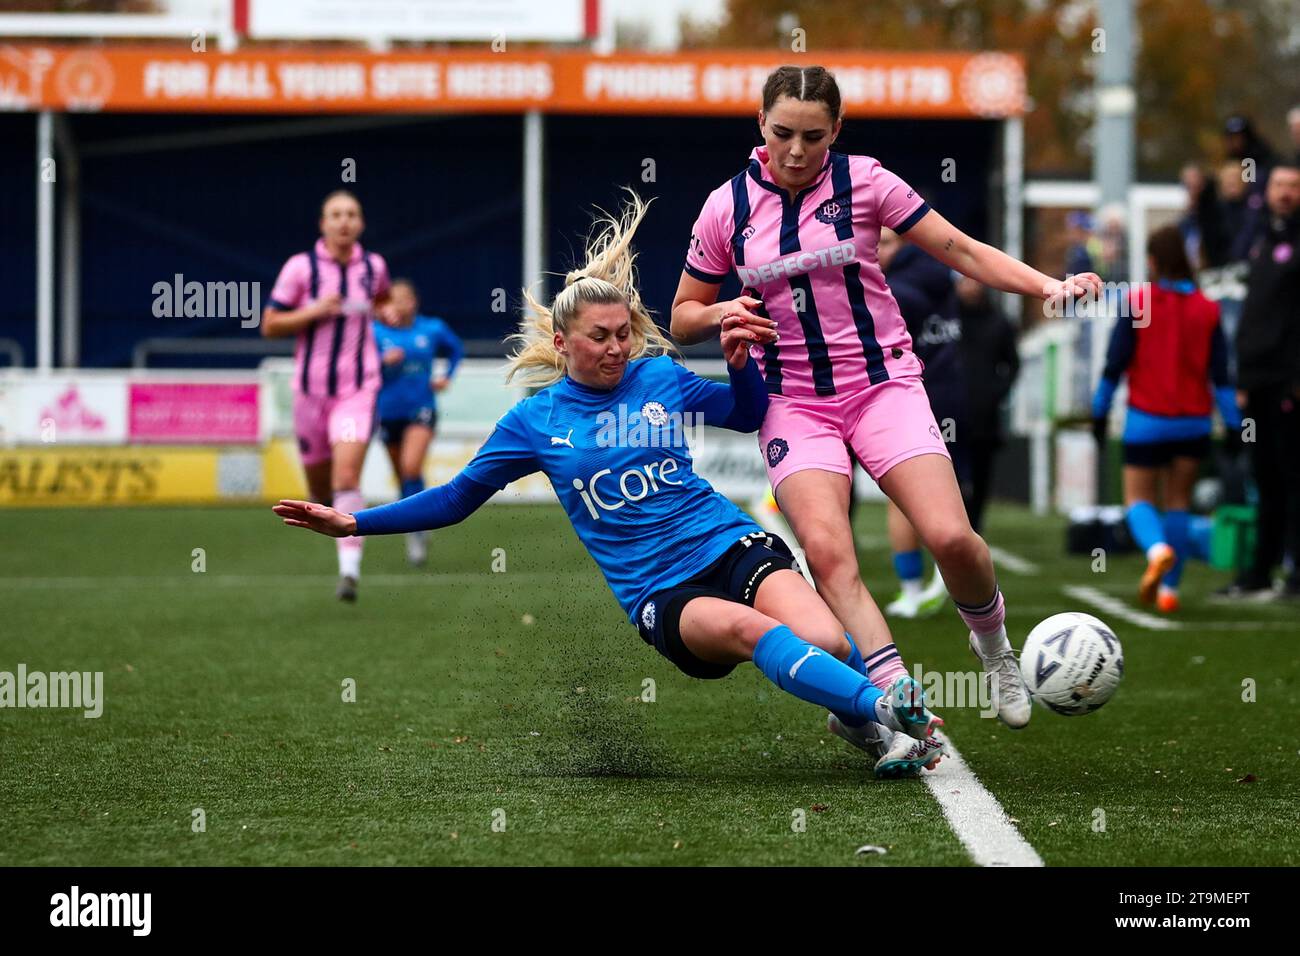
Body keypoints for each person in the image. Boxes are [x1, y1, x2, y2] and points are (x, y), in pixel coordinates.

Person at [273, 193, 944, 779]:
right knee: (746, 629)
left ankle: (856, 717)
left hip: (728, 540)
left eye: (625, 333)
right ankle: (879, 708)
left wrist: (741, 366)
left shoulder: (659, 377)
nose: (618, 347)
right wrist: (353, 523)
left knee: (825, 641)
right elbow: (454, 499)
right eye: (600, 337)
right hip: (660, 591)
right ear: (562, 343)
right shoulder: (535, 422)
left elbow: (745, 416)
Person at [670, 64, 1101, 732]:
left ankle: (993, 650)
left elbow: (961, 250)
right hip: (793, 402)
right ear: (760, 124)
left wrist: (1049, 286)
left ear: (836, 131)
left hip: (882, 386)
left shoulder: (866, 181)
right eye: (783, 132)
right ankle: (897, 692)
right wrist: (724, 310)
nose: (795, 151)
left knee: (953, 539)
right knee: (829, 553)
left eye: (813, 137)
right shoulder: (726, 207)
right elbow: (682, 315)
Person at [1091, 225, 1241, 612]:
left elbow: (1114, 366)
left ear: (1153, 261)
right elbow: (1222, 376)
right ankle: (1170, 592)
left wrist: (1098, 414)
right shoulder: (1208, 308)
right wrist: (1237, 424)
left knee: (1138, 499)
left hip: (1146, 422)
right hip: (1194, 423)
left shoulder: (1136, 303)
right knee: (1178, 502)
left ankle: (1156, 550)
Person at [262, 190, 390, 602]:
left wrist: (387, 321)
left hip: (357, 389)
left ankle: (349, 572)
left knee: (346, 478)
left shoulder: (374, 267)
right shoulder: (300, 268)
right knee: (319, 488)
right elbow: (270, 324)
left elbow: (384, 305)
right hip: (310, 395)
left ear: (361, 223)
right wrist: (314, 311)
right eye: (335, 214)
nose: (344, 221)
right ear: (323, 224)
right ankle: (326, 510)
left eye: (351, 214)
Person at [1220, 163, 1300, 600]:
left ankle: (1295, 573)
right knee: (1265, 479)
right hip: (1258, 382)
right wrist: (1243, 379)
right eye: (1279, 185)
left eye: (1293, 186)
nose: (1285, 193)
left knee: (1292, 479)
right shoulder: (1262, 239)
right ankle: (1259, 573)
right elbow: (1255, 316)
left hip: (1289, 385)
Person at [876, 227, 963, 619]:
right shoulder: (944, 275)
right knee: (946, 493)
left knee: (901, 496)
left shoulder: (890, 290)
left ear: (905, 244)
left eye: (885, 243)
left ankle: (913, 589)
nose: (875, 250)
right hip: (954, 394)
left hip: (912, 397)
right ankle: (949, 582)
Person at [373, 279, 465, 565]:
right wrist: (381, 361)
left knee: (411, 466)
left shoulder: (431, 328)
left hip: (422, 408)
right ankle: (418, 522)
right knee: (403, 476)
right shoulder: (375, 332)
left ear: (415, 302)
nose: (400, 305)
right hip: (387, 412)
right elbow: (359, 366)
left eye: (405, 299)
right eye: (394, 299)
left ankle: (416, 530)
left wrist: (446, 375)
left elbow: (456, 349)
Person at [955, 276, 1021, 537]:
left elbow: (1013, 364)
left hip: (984, 416)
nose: (969, 286)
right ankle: (955, 528)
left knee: (981, 477)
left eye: (973, 281)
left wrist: (996, 392)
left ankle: (975, 528)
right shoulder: (946, 319)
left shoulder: (999, 322)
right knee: (951, 477)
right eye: (963, 281)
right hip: (947, 414)